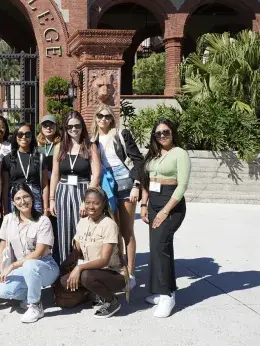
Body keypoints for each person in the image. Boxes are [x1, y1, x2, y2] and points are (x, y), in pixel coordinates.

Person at [141, 119, 191, 318]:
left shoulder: (180, 153)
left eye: (166, 132)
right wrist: (144, 205)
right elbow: (147, 181)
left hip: (172, 204)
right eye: (158, 133)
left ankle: (168, 294)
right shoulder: (153, 155)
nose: (162, 136)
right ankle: (159, 290)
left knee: (161, 246)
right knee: (156, 247)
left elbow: (182, 185)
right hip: (153, 201)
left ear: (173, 132)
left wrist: (165, 211)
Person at [92, 104, 144, 289]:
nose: (103, 119)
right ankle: (119, 268)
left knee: (126, 231)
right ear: (96, 118)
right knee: (113, 229)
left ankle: (131, 273)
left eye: (107, 116)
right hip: (106, 185)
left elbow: (137, 159)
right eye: (100, 115)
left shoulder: (121, 134)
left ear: (112, 118)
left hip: (124, 183)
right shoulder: (93, 138)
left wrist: (136, 185)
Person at [0, 183, 59, 323]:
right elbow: (2, 248)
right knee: (2, 290)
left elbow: (39, 253)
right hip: (22, 268)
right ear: (13, 202)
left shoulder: (43, 221)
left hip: (45, 267)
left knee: (30, 264)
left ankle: (35, 305)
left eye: (26, 197)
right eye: (18, 198)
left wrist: (12, 266)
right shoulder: (8, 219)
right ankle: (29, 295)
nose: (23, 201)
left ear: (32, 198)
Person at [59, 187, 127, 319]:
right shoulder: (82, 222)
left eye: (96, 203)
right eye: (88, 202)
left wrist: (79, 268)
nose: (91, 206)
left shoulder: (109, 224)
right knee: (64, 280)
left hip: (113, 273)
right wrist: (62, 267)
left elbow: (104, 261)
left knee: (86, 276)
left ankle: (112, 301)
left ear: (103, 204)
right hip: (93, 270)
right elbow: (77, 250)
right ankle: (97, 294)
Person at [49, 110, 101, 264]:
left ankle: (85, 269)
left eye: (77, 125)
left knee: (84, 231)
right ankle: (66, 270)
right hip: (63, 191)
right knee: (64, 233)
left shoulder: (90, 146)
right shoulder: (59, 147)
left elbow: (96, 174)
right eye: (69, 126)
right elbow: (55, 175)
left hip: (83, 190)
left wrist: (88, 201)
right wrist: (52, 199)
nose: (73, 129)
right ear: (65, 128)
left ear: (82, 126)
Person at [1, 122, 46, 214]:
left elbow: (45, 185)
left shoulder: (40, 157)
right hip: (16, 197)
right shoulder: (8, 158)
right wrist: (5, 208)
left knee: (37, 226)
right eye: (20, 134)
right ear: (15, 136)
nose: (24, 137)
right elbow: (5, 186)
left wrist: (46, 208)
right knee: (18, 226)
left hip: (35, 197)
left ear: (32, 136)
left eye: (28, 134)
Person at [37, 114, 61, 263]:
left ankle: (58, 258)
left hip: (57, 189)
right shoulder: (36, 145)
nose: (48, 127)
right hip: (40, 189)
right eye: (45, 125)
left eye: (51, 125)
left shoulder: (62, 144)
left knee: (56, 224)